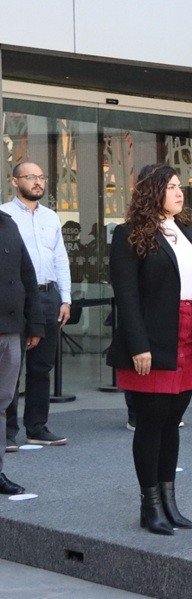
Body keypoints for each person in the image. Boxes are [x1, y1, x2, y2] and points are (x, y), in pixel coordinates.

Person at [107, 164, 192, 535]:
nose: (179, 192)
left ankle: (170, 500)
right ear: (152, 191)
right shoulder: (129, 234)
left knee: (173, 420)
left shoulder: (187, 231)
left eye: (180, 186)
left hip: (188, 330)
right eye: (172, 187)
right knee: (151, 421)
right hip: (152, 336)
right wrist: (139, 345)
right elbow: (125, 296)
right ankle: (150, 506)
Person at [1, 162, 71, 449]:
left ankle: (37, 426)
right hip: (16, 297)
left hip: (48, 295)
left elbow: (60, 258)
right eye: (31, 177)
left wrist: (65, 297)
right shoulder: (4, 215)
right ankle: (7, 433)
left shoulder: (52, 217)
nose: (38, 182)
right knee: (11, 367)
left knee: (42, 366)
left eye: (42, 177)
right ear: (15, 181)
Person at [0, 210, 44, 493]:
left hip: (12, 331)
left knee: (2, 403)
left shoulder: (7, 224)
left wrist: (35, 323)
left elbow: (27, 276)